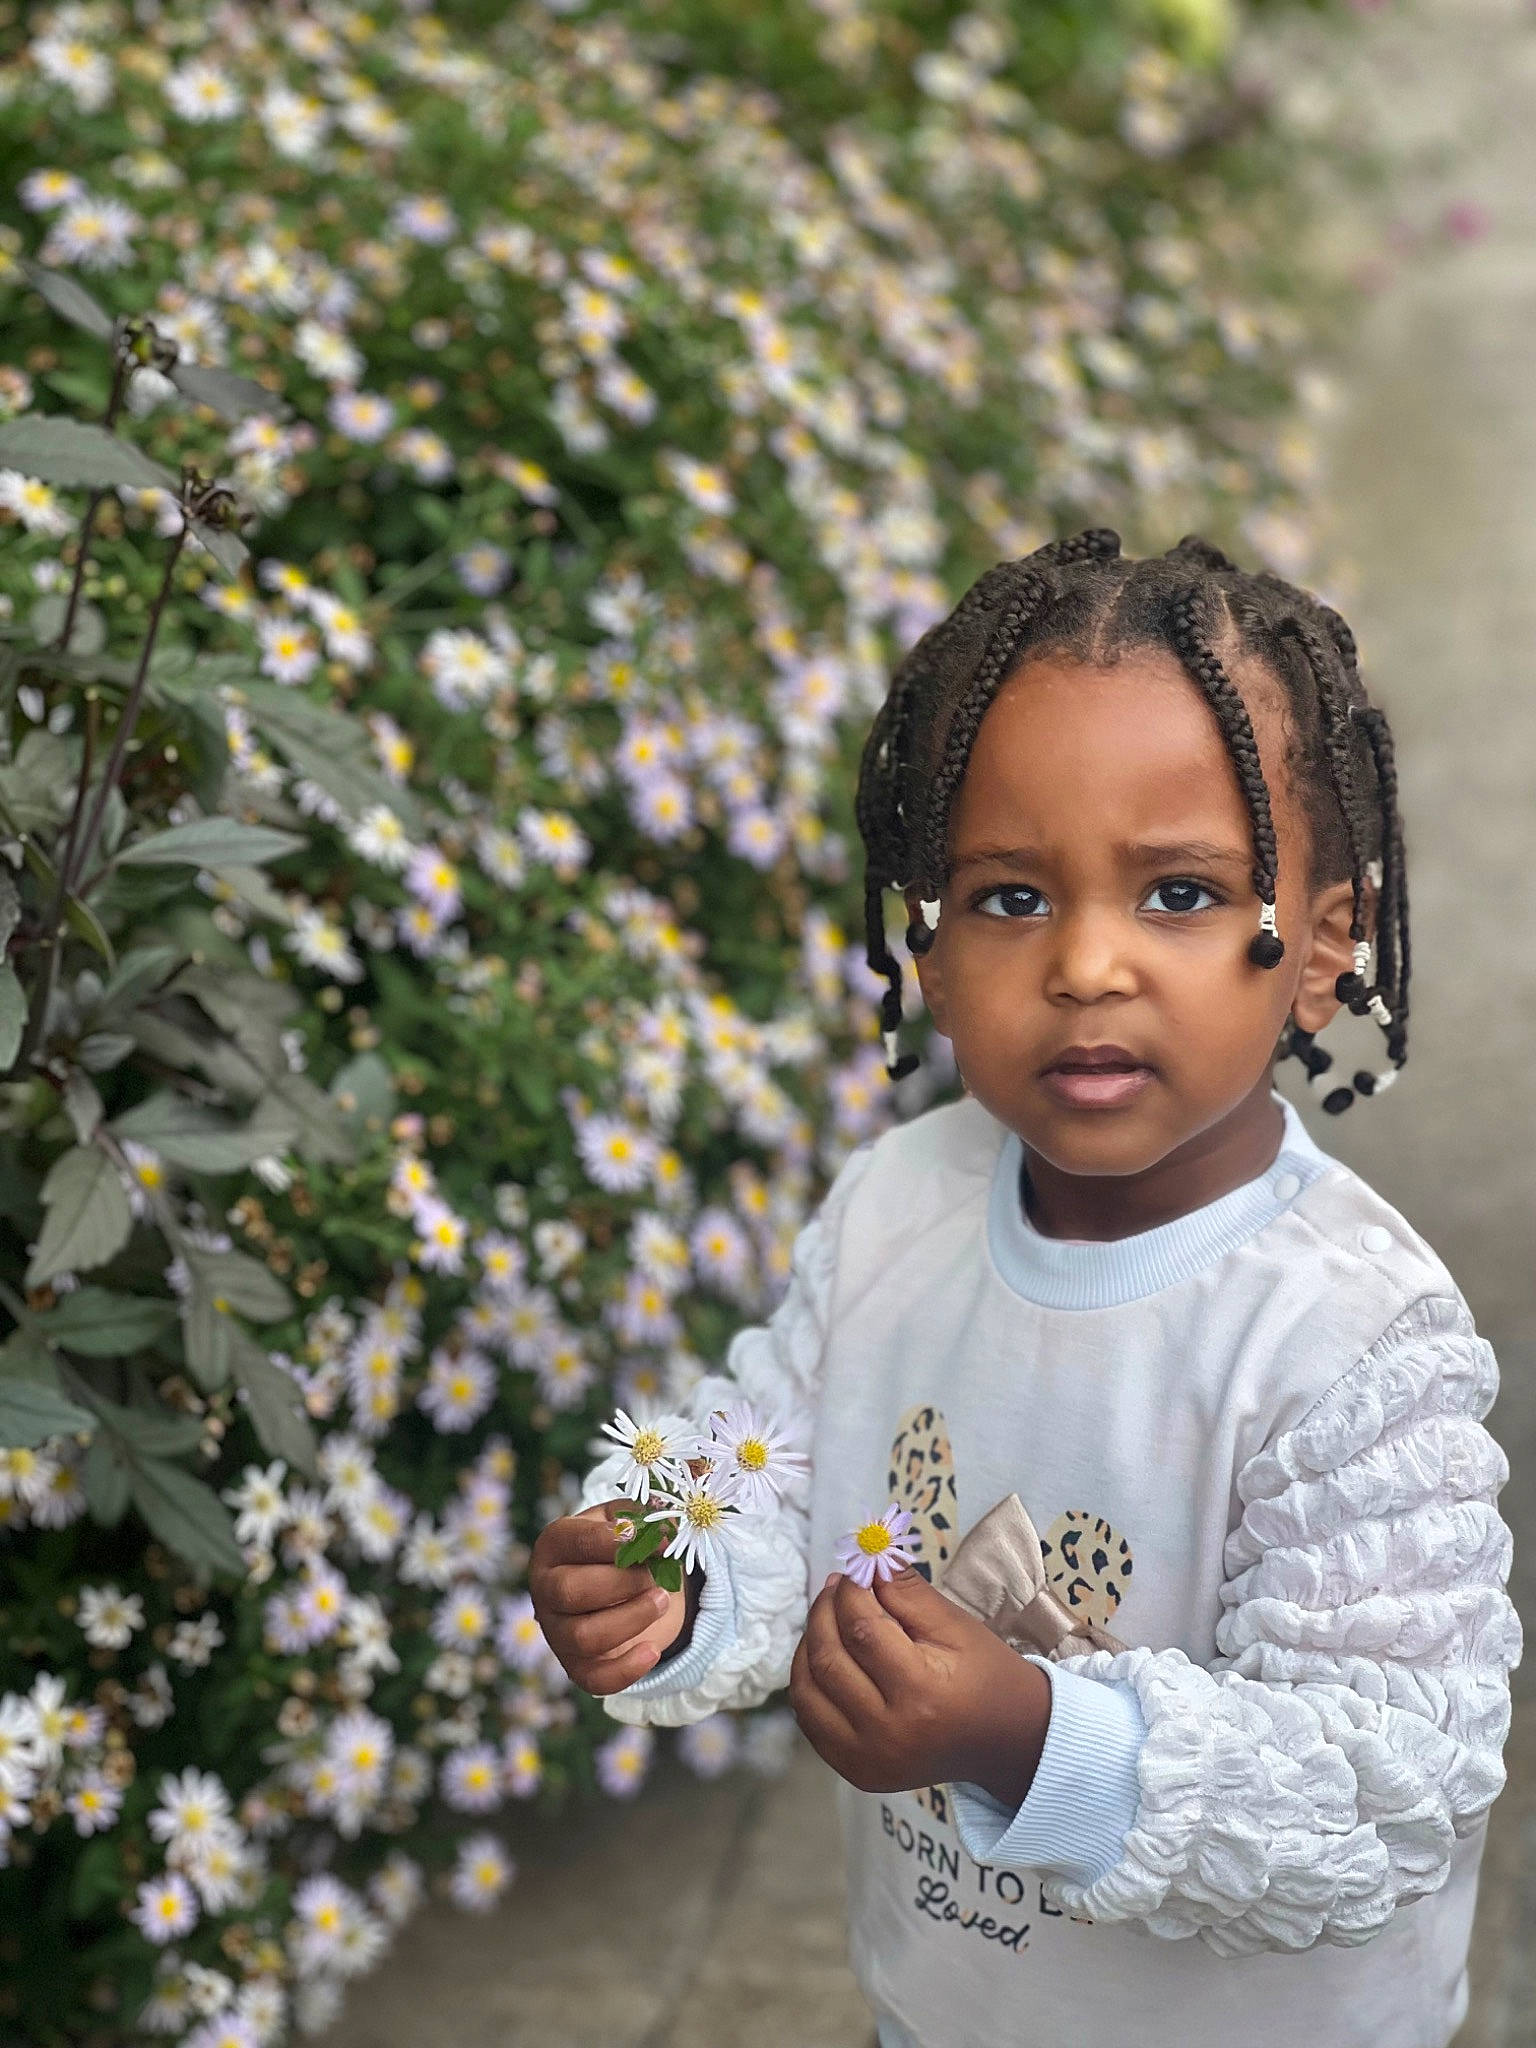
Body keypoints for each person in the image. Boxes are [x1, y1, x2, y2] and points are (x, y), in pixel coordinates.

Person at [529, 531, 1521, 2048]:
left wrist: (1028, 1735)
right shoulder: (896, 1207)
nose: (1086, 965)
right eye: (1007, 898)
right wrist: (674, 1573)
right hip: (946, 2012)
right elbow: (774, 1459)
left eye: (1180, 892)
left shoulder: (1350, 1340)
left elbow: (1382, 1793)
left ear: (1324, 946)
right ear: (924, 943)